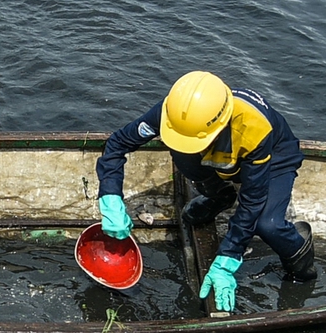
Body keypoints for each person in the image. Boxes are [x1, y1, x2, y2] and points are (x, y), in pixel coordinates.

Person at [94, 70, 313, 314]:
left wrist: (228, 258)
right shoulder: (173, 114)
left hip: (274, 160)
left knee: (267, 224)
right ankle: (220, 196)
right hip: (222, 156)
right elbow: (117, 144)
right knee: (183, 154)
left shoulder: (254, 129)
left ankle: (301, 262)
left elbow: (252, 200)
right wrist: (110, 196)